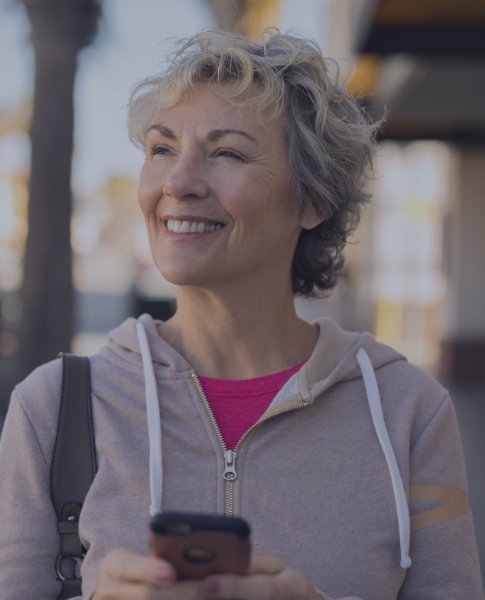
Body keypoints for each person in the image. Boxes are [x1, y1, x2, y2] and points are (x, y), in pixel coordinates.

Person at [0, 28, 483, 600]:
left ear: (312, 199)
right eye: (161, 149)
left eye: (225, 152)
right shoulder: (54, 408)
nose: (177, 182)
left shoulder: (410, 412)